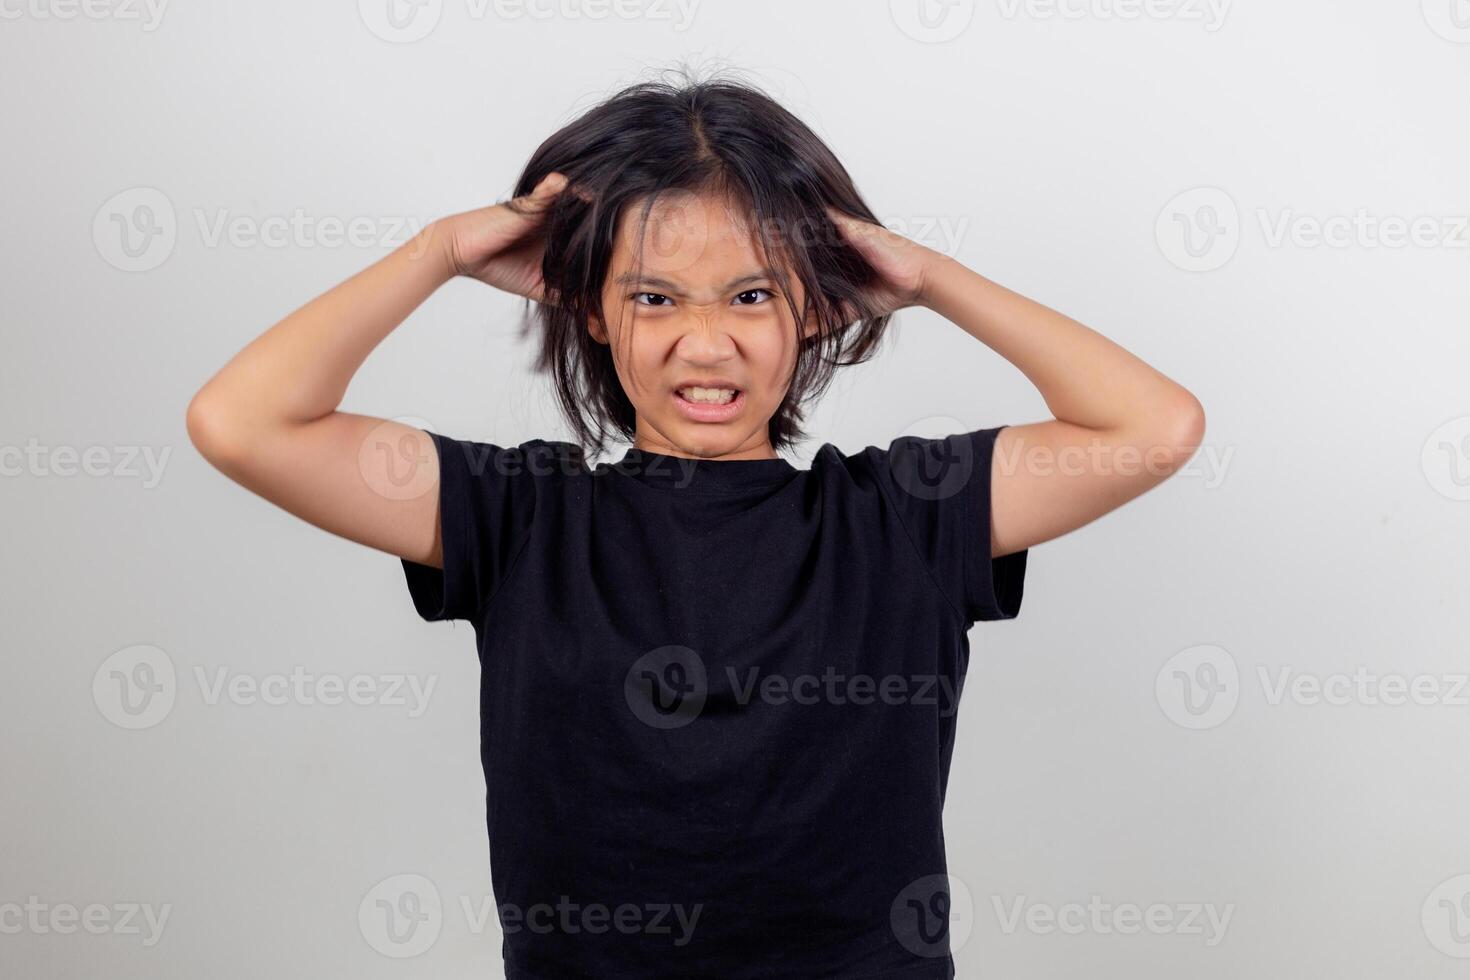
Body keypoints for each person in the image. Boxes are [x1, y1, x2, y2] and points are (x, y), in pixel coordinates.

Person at [186, 72, 1204, 978]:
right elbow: (243, 424)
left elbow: (1154, 427)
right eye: (656, 297)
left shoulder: (906, 516)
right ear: (591, 308)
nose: (704, 344)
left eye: (751, 294)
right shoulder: (519, 516)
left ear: (812, 305)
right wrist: (441, 251)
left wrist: (931, 279)